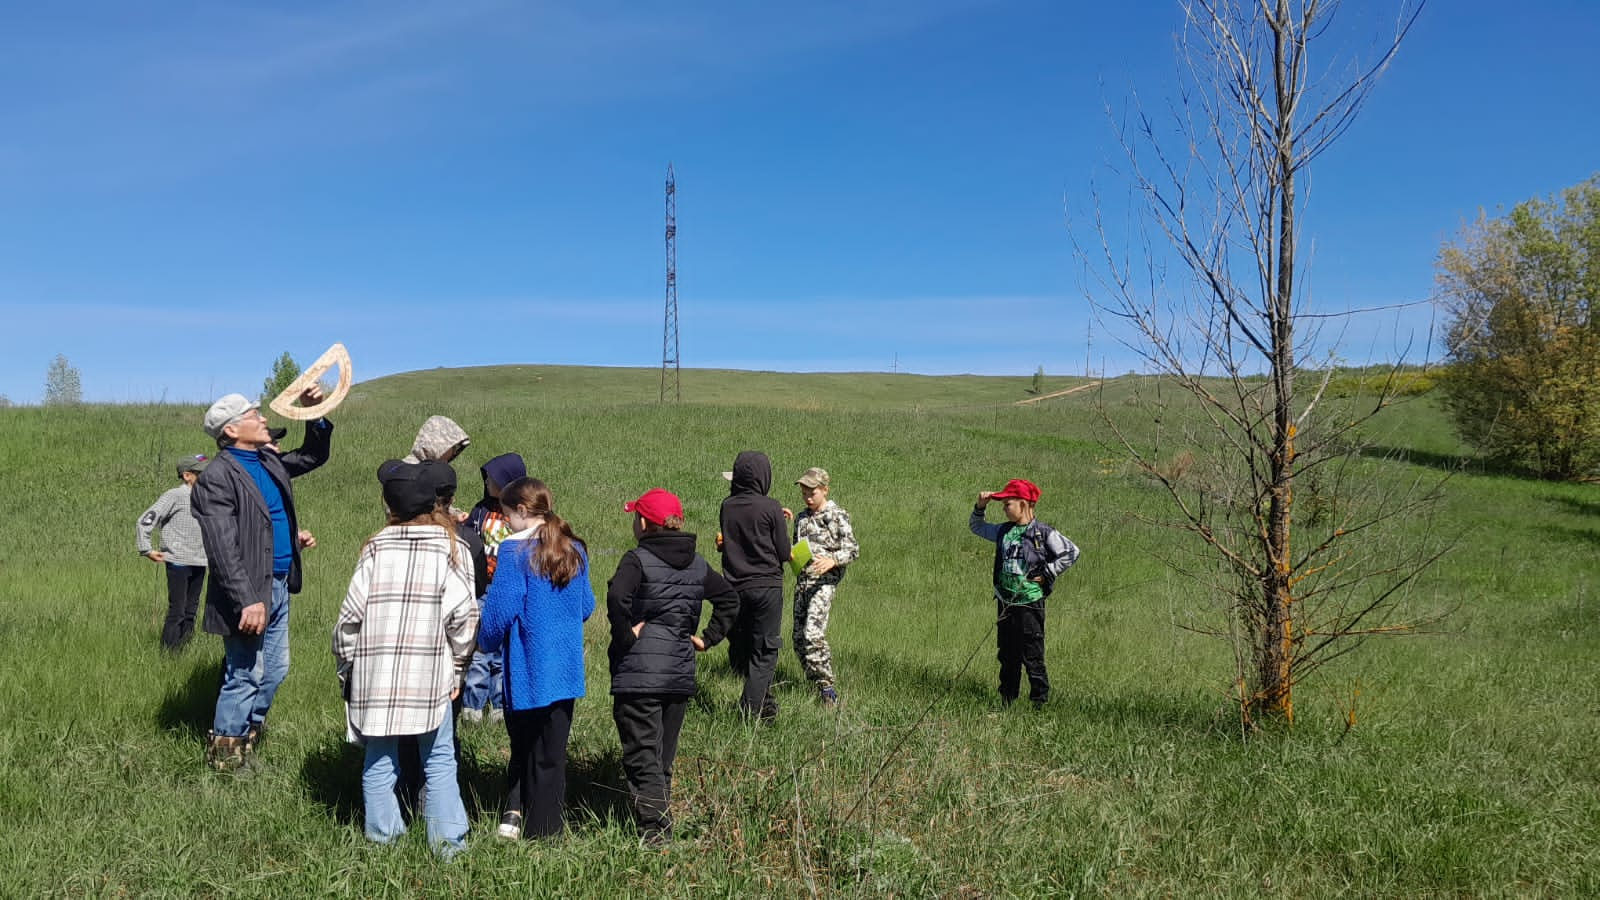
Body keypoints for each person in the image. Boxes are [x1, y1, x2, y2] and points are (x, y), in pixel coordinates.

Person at [333, 460, 479, 856]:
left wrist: (348, 668)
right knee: (440, 760)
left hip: (375, 672)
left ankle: (384, 844)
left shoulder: (375, 548)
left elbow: (349, 619)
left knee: (379, 761)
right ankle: (448, 847)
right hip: (432, 671)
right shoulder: (453, 548)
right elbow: (465, 618)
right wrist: (459, 669)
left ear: (390, 507)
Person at [191, 389, 332, 770]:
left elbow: (313, 455)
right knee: (245, 673)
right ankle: (225, 759)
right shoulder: (217, 478)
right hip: (251, 591)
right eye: (255, 414)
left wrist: (313, 412)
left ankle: (247, 738)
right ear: (233, 428)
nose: (264, 418)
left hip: (280, 582)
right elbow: (222, 547)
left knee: (276, 669)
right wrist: (247, 599)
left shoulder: (268, 461)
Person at [607, 488, 739, 845]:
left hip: (640, 674)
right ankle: (662, 824)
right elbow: (729, 598)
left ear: (645, 522)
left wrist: (625, 638)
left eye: (636, 516)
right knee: (662, 756)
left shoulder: (637, 560)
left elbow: (618, 597)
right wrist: (707, 638)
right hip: (679, 673)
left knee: (642, 755)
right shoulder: (697, 563)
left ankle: (655, 833)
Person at [477, 477, 594, 841]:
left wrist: (484, 642)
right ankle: (549, 828)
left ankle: (539, 834)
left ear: (522, 511)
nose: (506, 521)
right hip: (567, 669)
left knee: (528, 750)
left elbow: (498, 614)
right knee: (553, 756)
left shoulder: (514, 552)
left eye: (507, 513)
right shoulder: (573, 547)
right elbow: (587, 606)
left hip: (529, 670)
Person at [968, 478, 1080, 709]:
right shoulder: (1003, 531)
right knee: (1008, 655)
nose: (1004, 507)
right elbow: (977, 527)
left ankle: (1039, 703)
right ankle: (1007, 700)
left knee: (1032, 655)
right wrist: (980, 507)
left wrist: (1049, 571)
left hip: (1029, 602)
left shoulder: (1042, 532)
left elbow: (1071, 552)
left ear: (1024, 504)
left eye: (1008, 503)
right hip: (1006, 602)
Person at [719, 450, 791, 721]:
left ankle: (765, 706)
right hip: (766, 587)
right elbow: (783, 552)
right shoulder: (771, 506)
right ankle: (750, 712)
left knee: (746, 645)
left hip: (735, 586)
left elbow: (735, 541)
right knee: (765, 652)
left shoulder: (727, 506)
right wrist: (778, 525)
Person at [783, 467, 859, 706]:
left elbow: (853, 549)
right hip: (803, 582)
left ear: (824, 490)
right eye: (804, 492)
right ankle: (813, 684)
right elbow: (798, 548)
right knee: (797, 638)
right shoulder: (802, 517)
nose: (807, 497)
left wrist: (832, 561)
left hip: (824, 584)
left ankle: (827, 689)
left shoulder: (836, 515)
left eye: (812, 492)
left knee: (813, 634)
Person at [460, 452, 527, 722]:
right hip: (483, 588)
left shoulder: (523, 513)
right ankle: (473, 706)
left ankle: (500, 704)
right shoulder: (481, 510)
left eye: (493, 478)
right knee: (479, 648)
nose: (487, 482)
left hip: (510, 589)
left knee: (504, 650)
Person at [137, 454, 211, 652]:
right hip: (178, 561)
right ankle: (168, 653)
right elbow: (145, 520)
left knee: (191, 611)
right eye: (200, 473)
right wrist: (146, 549)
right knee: (177, 610)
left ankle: (183, 650)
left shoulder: (208, 496)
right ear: (187, 475)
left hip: (201, 561)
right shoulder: (175, 496)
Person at [401, 415, 470, 465]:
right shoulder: (434, 477)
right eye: (453, 447)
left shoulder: (398, 467)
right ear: (440, 445)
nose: (455, 452)